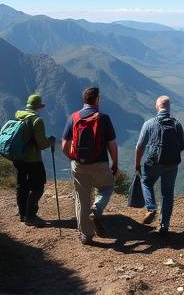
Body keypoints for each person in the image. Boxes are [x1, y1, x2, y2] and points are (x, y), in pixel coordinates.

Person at [62, 87, 118, 245]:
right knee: (107, 188)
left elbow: (65, 144)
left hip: (79, 165)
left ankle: (86, 235)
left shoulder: (73, 117)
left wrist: (73, 158)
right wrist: (115, 163)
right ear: (98, 99)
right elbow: (112, 144)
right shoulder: (104, 118)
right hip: (100, 163)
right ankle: (97, 208)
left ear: (84, 100)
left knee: (82, 199)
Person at [135, 95, 184, 234]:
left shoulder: (149, 124)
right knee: (167, 194)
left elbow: (139, 147)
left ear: (157, 107)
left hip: (153, 163)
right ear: (169, 107)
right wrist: (171, 155)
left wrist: (137, 164)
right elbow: (183, 145)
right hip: (172, 164)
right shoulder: (176, 124)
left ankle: (151, 208)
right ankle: (164, 227)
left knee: (146, 182)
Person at [13, 94, 55, 226]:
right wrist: (51, 141)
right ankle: (30, 215)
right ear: (38, 106)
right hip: (33, 160)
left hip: (18, 158)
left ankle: (22, 214)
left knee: (22, 186)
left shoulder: (19, 116)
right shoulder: (37, 120)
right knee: (38, 187)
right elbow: (42, 144)